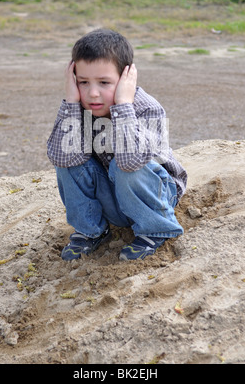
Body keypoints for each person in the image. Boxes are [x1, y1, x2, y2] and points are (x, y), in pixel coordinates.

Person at [47, 28, 187, 261]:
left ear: (125, 79)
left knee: (123, 165)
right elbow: (61, 159)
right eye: (83, 82)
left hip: (154, 195)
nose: (93, 93)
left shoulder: (147, 108)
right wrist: (71, 101)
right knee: (67, 153)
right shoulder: (80, 109)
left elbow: (132, 162)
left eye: (104, 82)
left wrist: (123, 104)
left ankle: (155, 229)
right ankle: (91, 230)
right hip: (115, 197)